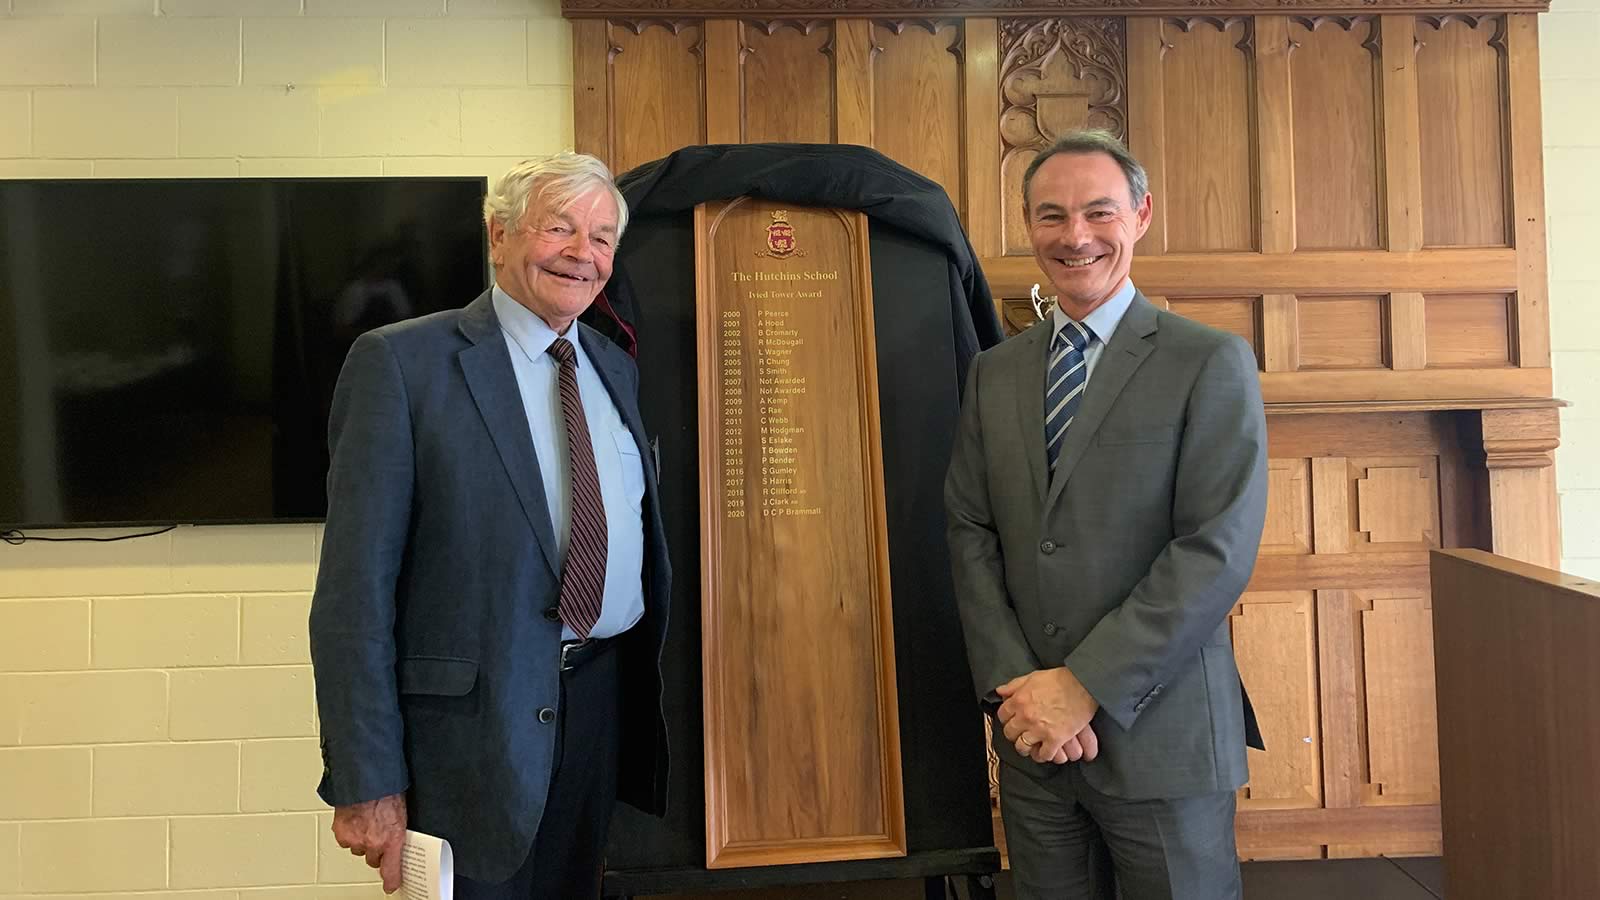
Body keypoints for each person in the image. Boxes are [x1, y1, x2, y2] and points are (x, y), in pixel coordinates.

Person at [309, 152, 671, 900]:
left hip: (599, 709)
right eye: (560, 227)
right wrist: (367, 775)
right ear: (498, 235)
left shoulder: (612, 365)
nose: (583, 253)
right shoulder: (403, 365)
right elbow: (354, 593)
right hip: (469, 737)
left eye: (602, 236)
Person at [944, 129, 1267, 900]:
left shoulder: (1208, 361)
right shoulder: (994, 373)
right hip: (1033, 746)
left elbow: (1213, 549)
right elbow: (970, 531)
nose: (1075, 236)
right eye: (1051, 216)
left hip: (1163, 739)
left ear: (1142, 214)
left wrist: (1082, 686)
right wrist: (1022, 692)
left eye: (1098, 212)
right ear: (1028, 225)